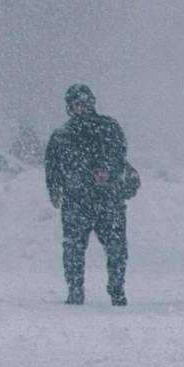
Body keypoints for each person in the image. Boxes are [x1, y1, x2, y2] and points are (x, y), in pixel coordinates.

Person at [45, 83, 135, 305]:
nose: (84, 108)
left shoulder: (109, 127)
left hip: (108, 199)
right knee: (73, 249)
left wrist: (107, 170)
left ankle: (117, 291)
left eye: (87, 103)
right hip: (76, 201)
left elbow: (119, 156)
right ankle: (75, 289)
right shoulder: (61, 136)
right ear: (70, 108)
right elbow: (52, 165)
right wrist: (54, 189)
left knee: (116, 249)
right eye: (79, 104)